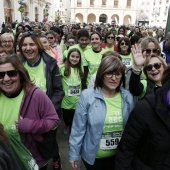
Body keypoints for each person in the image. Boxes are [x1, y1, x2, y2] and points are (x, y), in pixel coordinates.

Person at [69, 55, 134, 170]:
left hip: (119, 157)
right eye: (109, 73)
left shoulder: (127, 97)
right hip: (94, 158)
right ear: (101, 74)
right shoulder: (87, 96)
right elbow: (78, 128)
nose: (114, 78)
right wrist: (74, 154)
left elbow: (131, 128)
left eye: (118, 74)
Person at [0, 55, 59, 169]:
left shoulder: (35, 94)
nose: (6, 79)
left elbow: (54, 121)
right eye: (1, 75)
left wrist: (31, 125)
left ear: (20, 74)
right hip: (7, 160)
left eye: (12, 73)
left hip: (33, 159)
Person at [19, 31, 64, 170]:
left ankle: (55, 157)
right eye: (24, 45)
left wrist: (49, 108)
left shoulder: (50, 63)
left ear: (38, 46)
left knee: (47, 144)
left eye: (32, 44)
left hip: (46, 115)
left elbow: (58, 90)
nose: (28, 48)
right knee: (28, 145)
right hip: (25, 116)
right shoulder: (18, 65)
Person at [114, 65, 170, 170]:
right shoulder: (145, 107)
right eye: (149, 67)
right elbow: (126, 148)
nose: (153, 69)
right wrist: (137, 69)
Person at [59, 48, 83, 135]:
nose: (74, 59)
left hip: (77, 100)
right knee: (66, 117)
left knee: (74, 117)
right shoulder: (62, 68)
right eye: (72, 56)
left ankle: (72, 130)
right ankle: (66, 124)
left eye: (77, 57)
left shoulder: (81, 68)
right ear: (68, 57)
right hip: (66, 100)